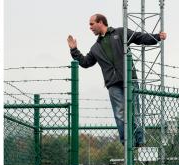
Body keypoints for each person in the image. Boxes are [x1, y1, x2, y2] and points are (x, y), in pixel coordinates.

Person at [67, 13, 167, 146]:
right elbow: (85, 62)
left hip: (129, 79)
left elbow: (138, 37)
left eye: (92, 24)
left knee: (135, 112)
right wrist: (74, 50)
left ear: (101, 22)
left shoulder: (120, 33)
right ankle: (127, 143)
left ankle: (139, 141)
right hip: (113, 85)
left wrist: (156, 37)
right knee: (119, 114)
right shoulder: (95, 48)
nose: (90, 27)